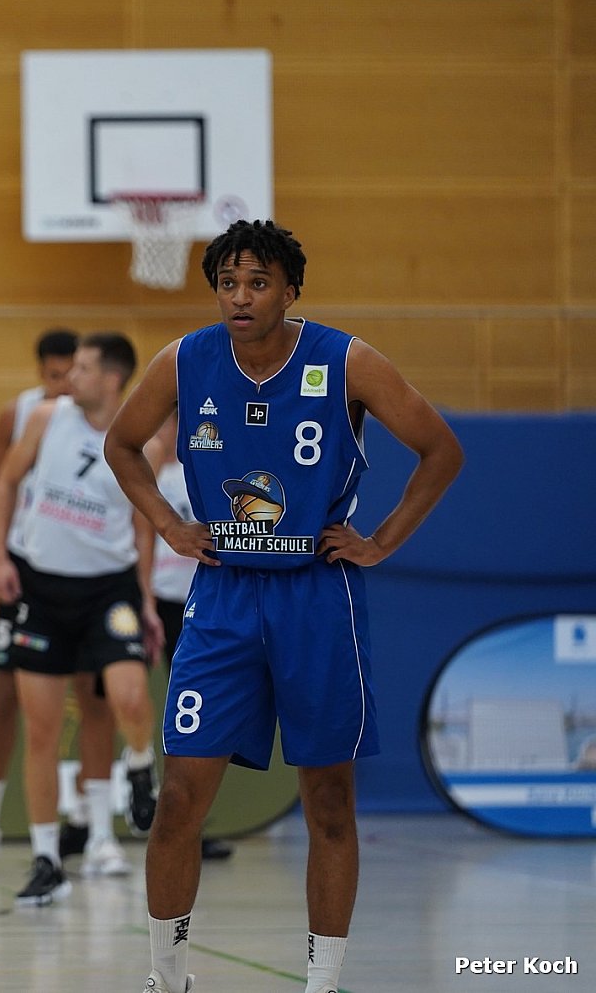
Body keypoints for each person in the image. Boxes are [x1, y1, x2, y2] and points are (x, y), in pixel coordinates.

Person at [104, 219, 463, 993]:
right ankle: (167, 978)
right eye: (228, 283)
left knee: (328, 800)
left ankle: (321, 983)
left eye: (258, 282)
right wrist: (168, 523)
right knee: (177, 798)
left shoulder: (346, 360)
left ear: (290, 290)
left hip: (317, 594)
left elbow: (441, 449)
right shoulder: (184, 360)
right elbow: (122, 444)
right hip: (224, 594)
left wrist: (382, 540)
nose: (240, 297)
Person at [0, 332, 164, 906]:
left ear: (111, 378)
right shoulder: (46, 418)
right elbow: (6, 482)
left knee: (128, 697)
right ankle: (46, 857)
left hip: (110, 590)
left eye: (81, 368)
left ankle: (140, 765)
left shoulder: (145, 441)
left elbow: (143, 527)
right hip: (41, 588)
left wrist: (146, 598)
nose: (69, 377)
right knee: (42, 728)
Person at [0, 329, 77, 874]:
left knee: (89, 696)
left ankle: (87, 822)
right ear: (41, 371)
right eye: (54, 375)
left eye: (72, 375)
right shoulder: (20, 414)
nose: (64, 385)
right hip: (25, 570)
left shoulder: (99, 419)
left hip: (83, 571)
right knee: (6, 694)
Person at [148, 414, 233, 863]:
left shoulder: (207, 470)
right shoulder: (151, 476)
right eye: (167, 421)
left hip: (205, 601)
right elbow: (137, 537)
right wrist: (141, 598)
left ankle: (193, 825)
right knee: (158, 711)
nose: (172, 430)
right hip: (161, 601)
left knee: (203, 721)